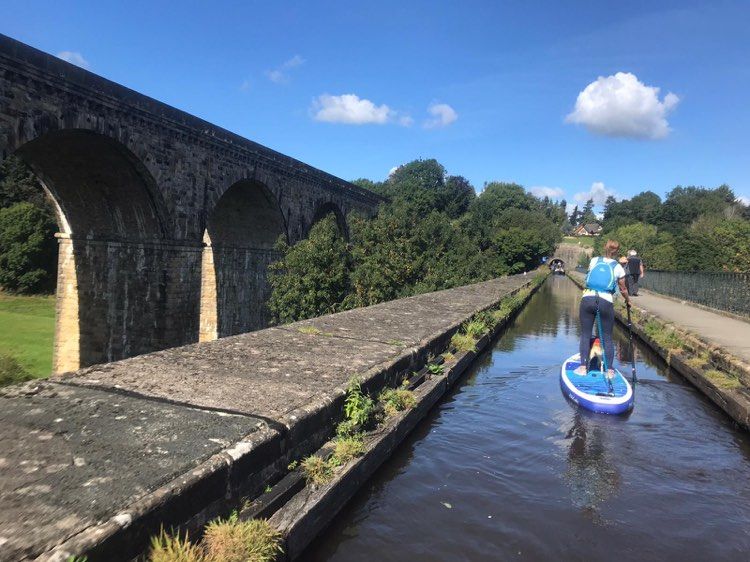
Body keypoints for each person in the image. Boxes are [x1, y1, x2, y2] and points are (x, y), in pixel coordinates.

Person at [575, 239, 630, 378]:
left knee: (586, 334)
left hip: (587, 299)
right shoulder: (618, 267)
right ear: (617, 251)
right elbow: (623, 289)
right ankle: (610, 371)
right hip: (606, 301)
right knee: (607, 337)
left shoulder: (594, 260)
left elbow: (589, 276)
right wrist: (628, 301)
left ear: (605, 248)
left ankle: (583, 368)